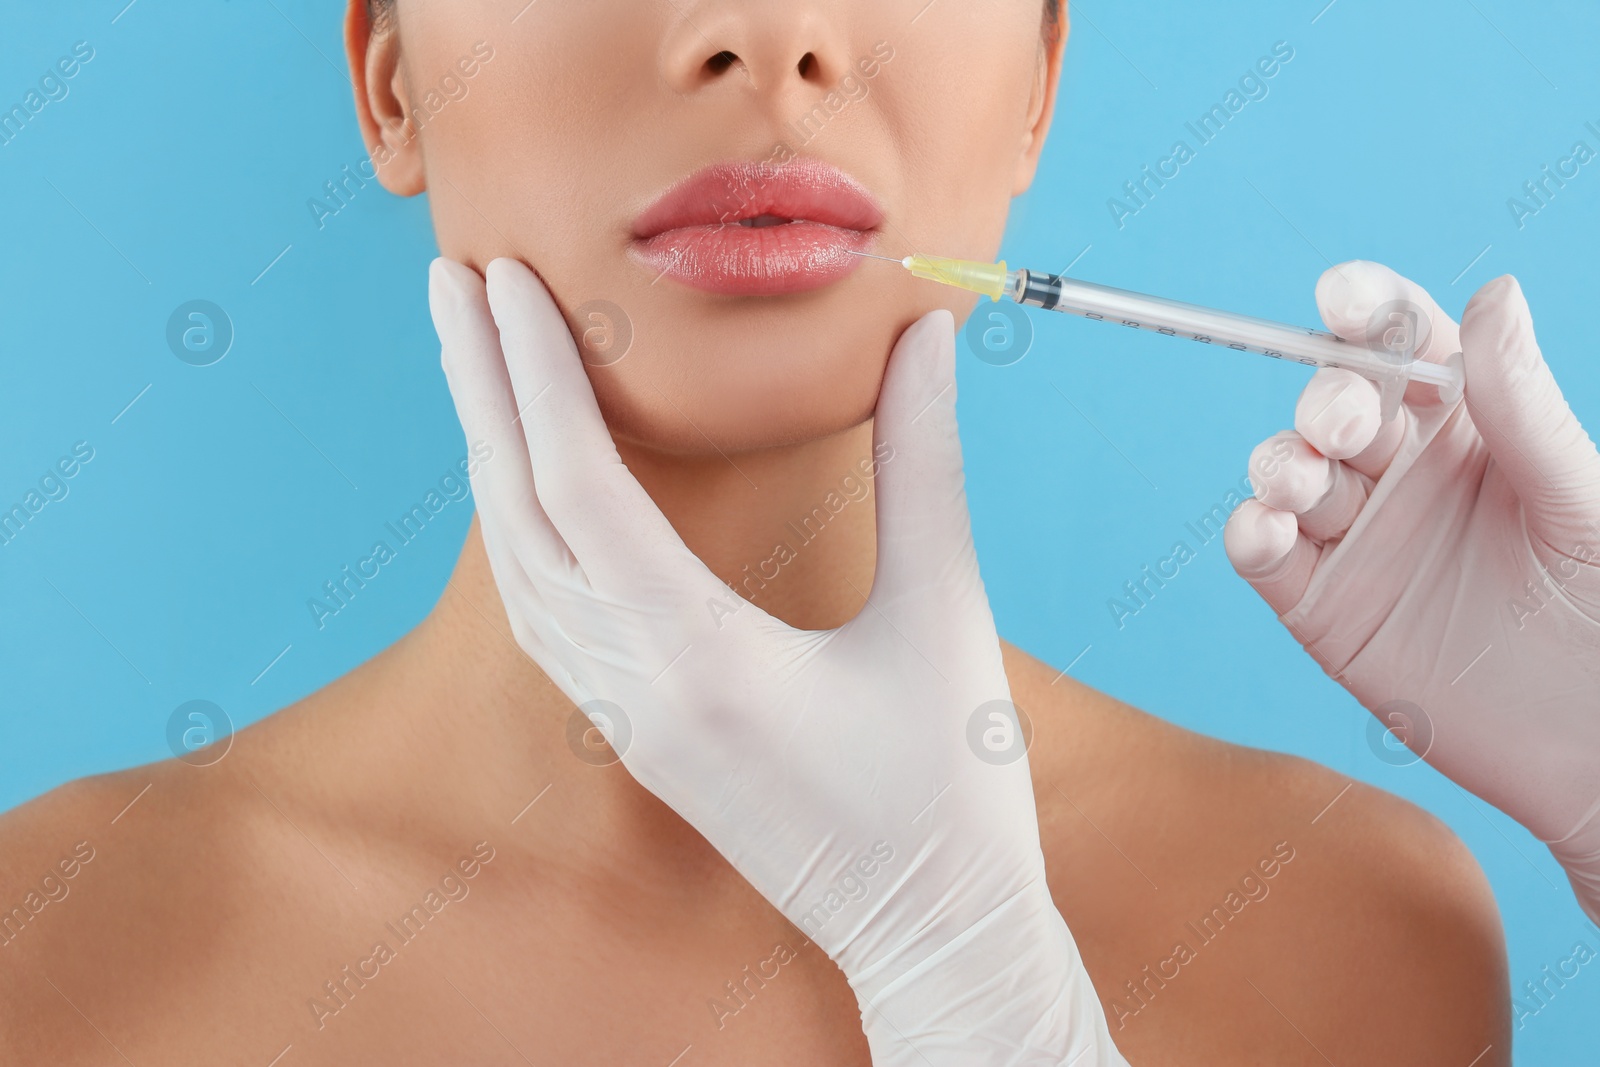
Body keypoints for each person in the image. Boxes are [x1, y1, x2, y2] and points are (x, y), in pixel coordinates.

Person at [0, 0, 1532, 1062]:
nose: (770, 33)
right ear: (391, 79)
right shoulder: (47, 957)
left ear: (1040, 84)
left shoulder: (1359, 939)